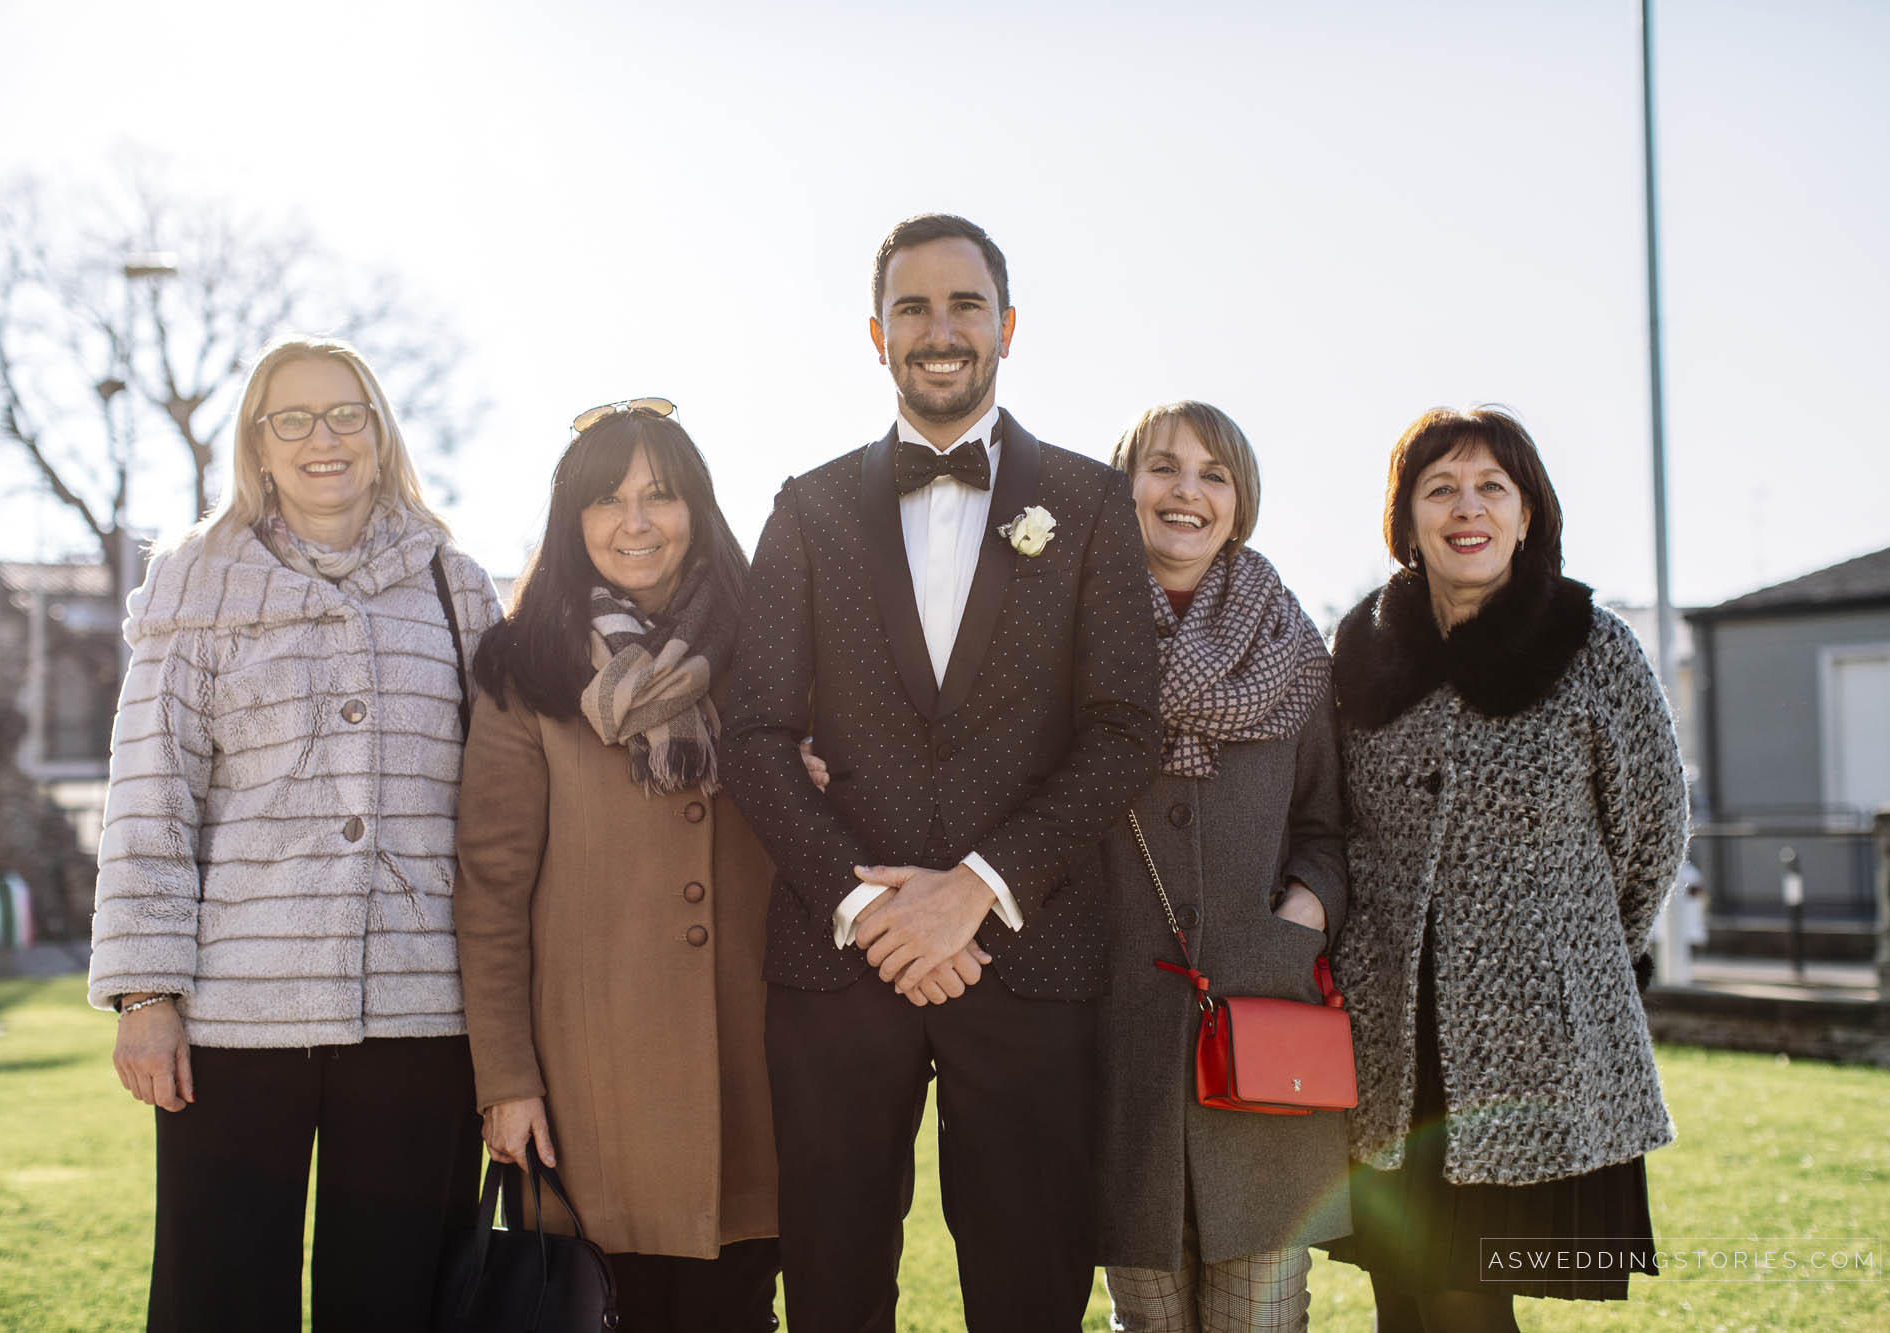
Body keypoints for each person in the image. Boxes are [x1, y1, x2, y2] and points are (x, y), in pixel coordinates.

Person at [721, 213, 1161, 1332]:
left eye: (963, 304)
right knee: (830, 1287)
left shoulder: (1091, 505)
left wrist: (976, 884)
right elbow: (756, 731)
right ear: (876, 336)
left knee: (1029, 1288)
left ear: (1005, 326)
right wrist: (870, 906)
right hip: (836, 968)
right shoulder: (806, 510)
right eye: (911, 307)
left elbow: (1121, 729)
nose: (939, 329)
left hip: (1030, 956)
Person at [88, 334, 503, 1332]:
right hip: (237, 1018)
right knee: (220, 1296)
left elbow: (512, 794)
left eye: (344, 414)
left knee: (398, 1300)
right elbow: (152, 797)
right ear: (258, 446)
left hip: (420, 1010)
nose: (323, 438)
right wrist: (146, 993)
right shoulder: (195, 584)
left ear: (378, 432)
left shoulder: (455, 584)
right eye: (293, 419)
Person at [1328, 406, 1689, 1331]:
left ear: (1529, 514)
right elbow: (1335, 822)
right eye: (1439, 488)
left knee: (1461, 1301)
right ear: (1405, 517)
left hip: (1533, 1045)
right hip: (1382, 1047)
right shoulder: (1361, 652)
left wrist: (1572, 956)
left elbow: (1650, 835)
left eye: (1493, 486)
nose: (1467, 507)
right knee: (1402, 1295)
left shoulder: (1594, 646)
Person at [452, 401, 779, 1330]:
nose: (635, 521)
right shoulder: (523, 668)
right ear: (573, 520)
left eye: (660, 495)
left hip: (750, 1080)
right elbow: (490, 891)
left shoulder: (770, 649)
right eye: (607, 499)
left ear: (698, 508)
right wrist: (506, 1080)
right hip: (588, 1095)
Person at [1093, 402, 1348, 1332]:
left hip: (1264, 1023)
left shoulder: (1295, 652)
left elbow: (1329, 825)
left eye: (1214, 474)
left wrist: (1305, 910)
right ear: (1122, 490)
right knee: (1148, 1320)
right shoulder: (1069, 642)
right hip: (1118, 1040)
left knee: (1262, 1319)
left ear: (1240, 505)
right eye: (1163, 467)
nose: (1186, 491)